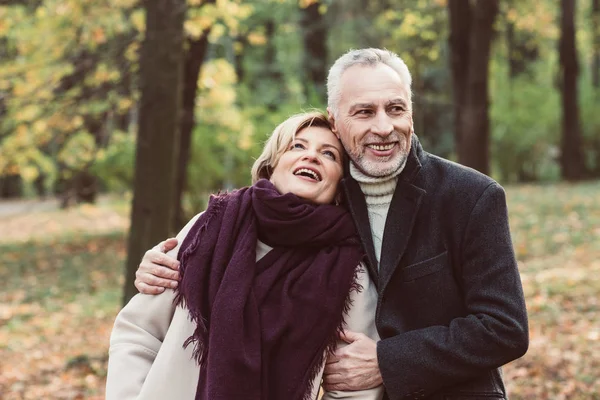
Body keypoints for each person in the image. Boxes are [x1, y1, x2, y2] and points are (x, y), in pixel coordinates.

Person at [134, 48, 529, 400]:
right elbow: (261, 226)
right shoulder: (327, 195)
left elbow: (505, 327)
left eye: (396, 109)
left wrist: (387, 361)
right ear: (335, 121)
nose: (384, 127)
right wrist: (172, 259)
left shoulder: (471, 196)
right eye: (364, 111)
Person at [106, 111, 385, 400]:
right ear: (271, 166)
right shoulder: (211, 225)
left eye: (329, 154)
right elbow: (139, 332)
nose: (311, 157)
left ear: (340, 187)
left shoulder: (348, 269)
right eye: (297, 146)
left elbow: (356, 388)